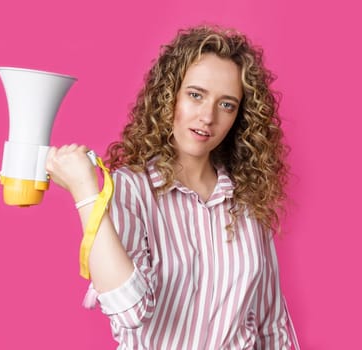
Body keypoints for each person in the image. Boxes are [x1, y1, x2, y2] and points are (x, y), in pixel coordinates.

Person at [45, 25, 299, 349]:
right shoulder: (131, 189)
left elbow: (270, 324)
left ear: (240, 117)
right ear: (170, 96)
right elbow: (129, 310)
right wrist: (85, 193)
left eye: (227, 105)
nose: (207, 116)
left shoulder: (248, 197)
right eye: (196, 95)